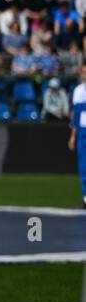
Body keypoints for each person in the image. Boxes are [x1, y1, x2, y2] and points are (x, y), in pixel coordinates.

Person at [69, 66, 86, 208]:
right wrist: (73, 136)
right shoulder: (78, 91)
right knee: (84, 166)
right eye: (84, 72)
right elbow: (76, 116)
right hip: (82, 132)